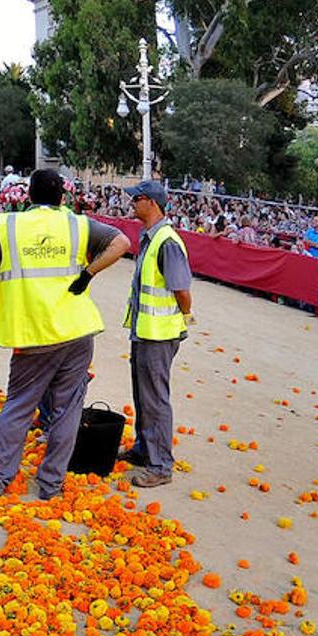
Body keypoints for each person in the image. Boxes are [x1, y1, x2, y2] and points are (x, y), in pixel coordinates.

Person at [0, 169, 132, 500]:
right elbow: (122, 243)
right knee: (68, 410)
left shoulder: (9, 225)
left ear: (28, 196)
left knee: (19, 407)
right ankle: (51, 485)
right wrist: (88, 273)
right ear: (62, 198)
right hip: (77, 332)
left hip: (33, 334)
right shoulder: (77, 224)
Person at [117, 180, 194, 489]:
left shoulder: (166, 242)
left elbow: (182, 291)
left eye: (136, 199)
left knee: (155, 400)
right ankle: (143, 449)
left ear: (150, 202)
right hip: (146, 332)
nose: (132, 204)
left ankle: (160, 465)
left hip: (158, 335)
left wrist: (185, 316)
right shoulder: (152, 237)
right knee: (143, 395)